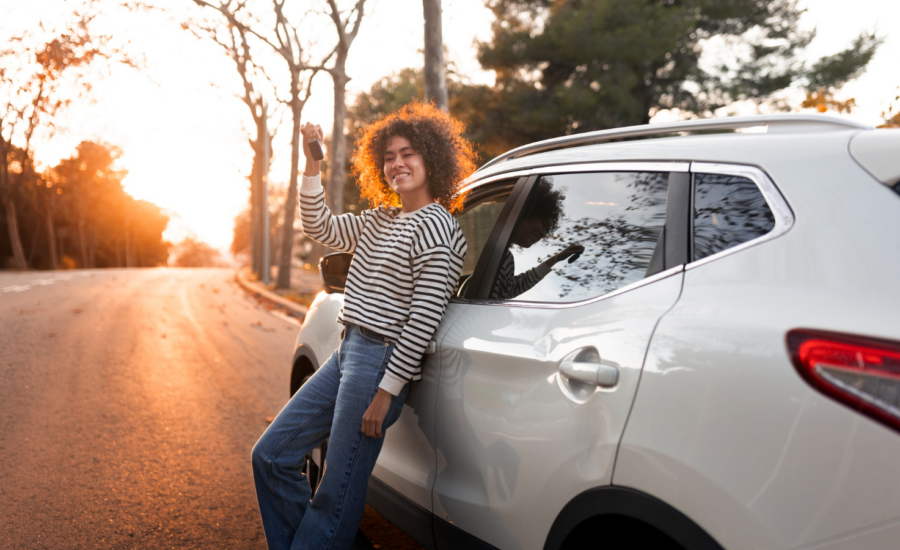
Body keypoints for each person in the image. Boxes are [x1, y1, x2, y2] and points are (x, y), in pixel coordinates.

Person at [251, 101, 475, 550]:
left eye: (408, 153)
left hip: (379, 364)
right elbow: (318, 224)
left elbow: (422, 321)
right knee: (271, 456)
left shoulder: (440, 230)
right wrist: (312, 163)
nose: (397, 164)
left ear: (431, 157)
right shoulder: (380, 218)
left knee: (336, 496)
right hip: (347, 351)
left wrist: (386, 392)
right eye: (389, 157)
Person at [490, 178, 584, 299]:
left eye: (547, 231)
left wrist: (557, 258)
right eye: (544, 224)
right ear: (527, 211)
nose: (543, 234)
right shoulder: (499, 255)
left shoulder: (502, 256)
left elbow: (512, 288)